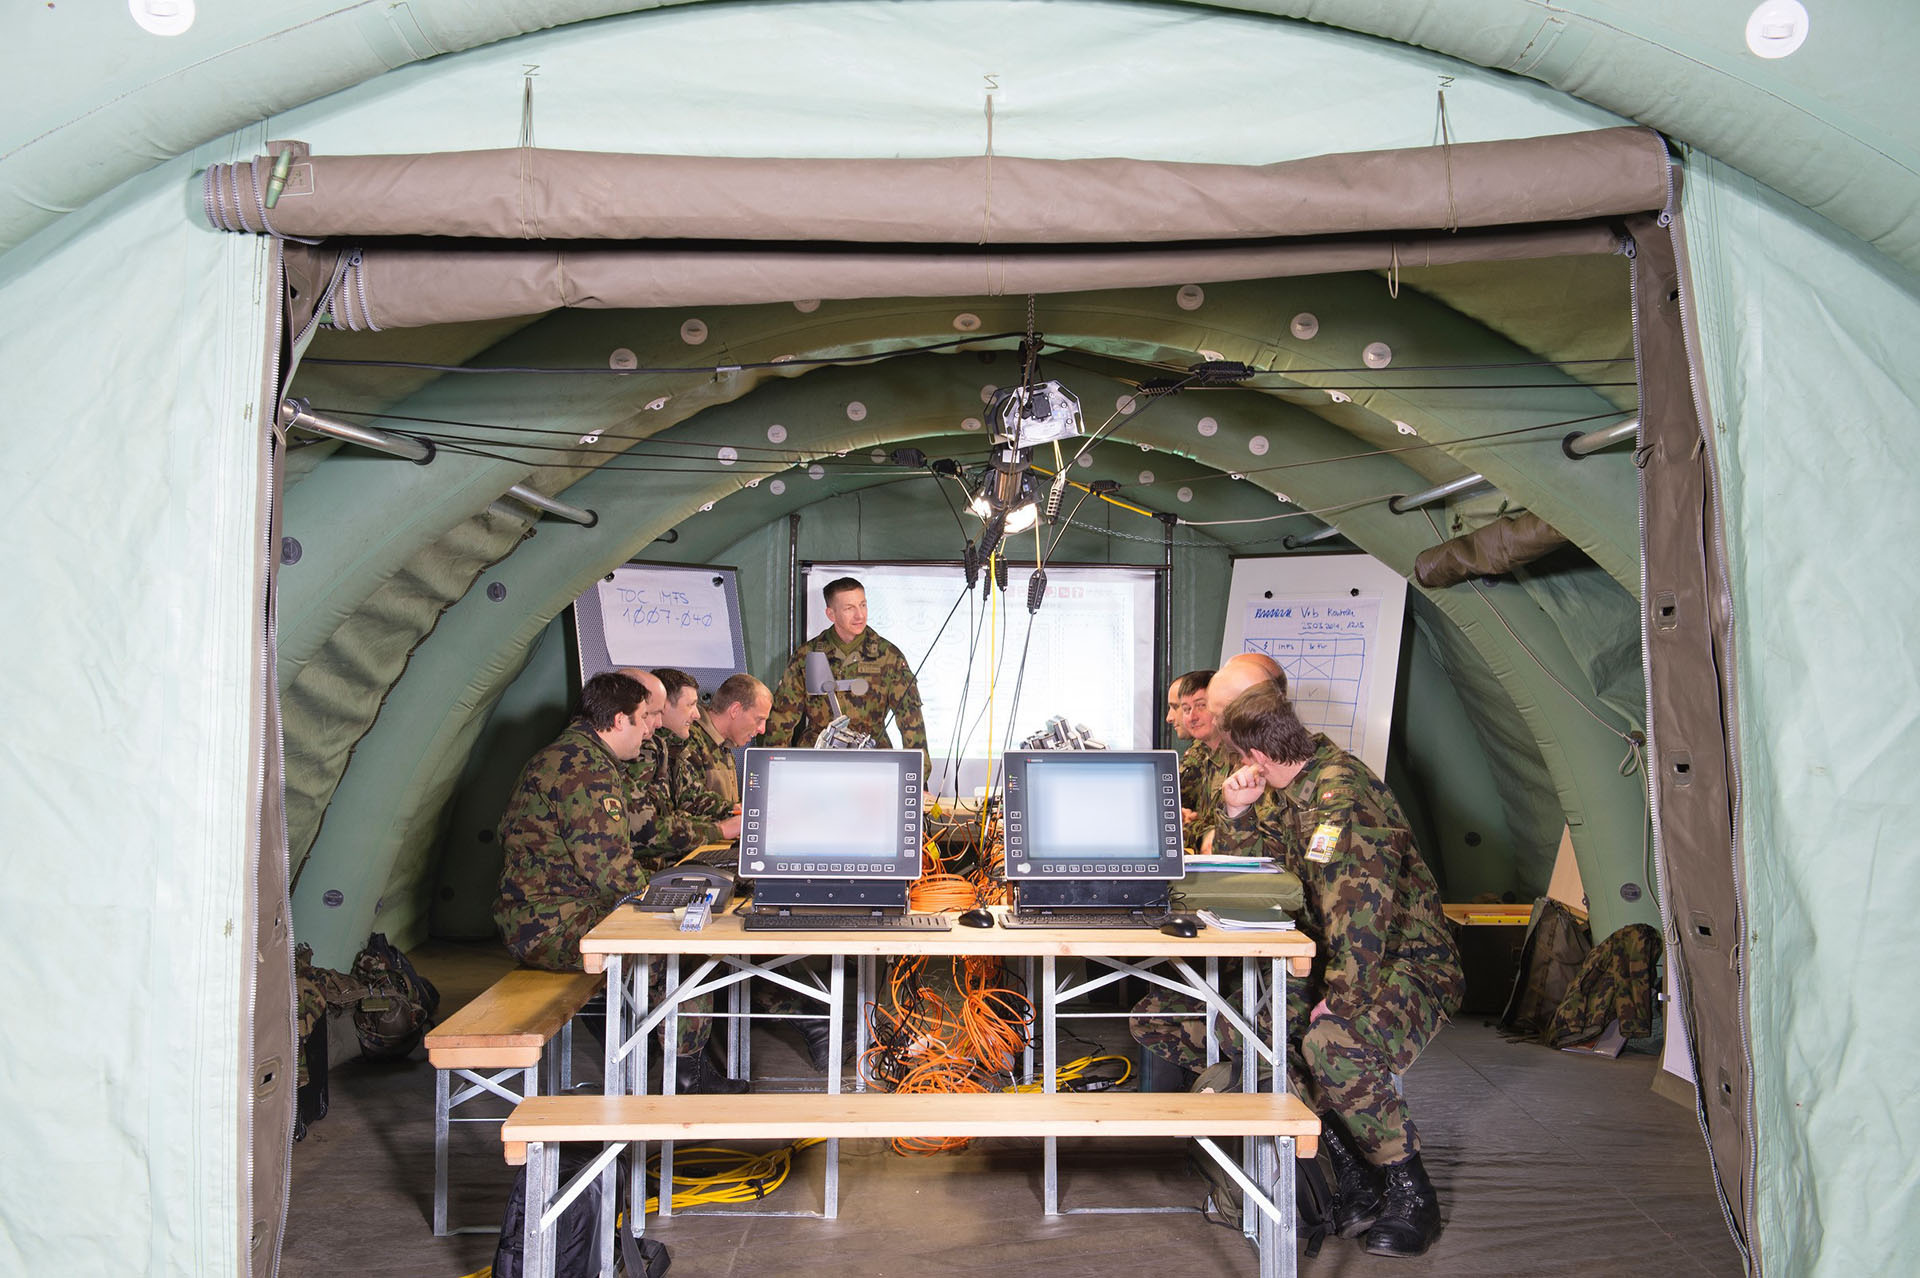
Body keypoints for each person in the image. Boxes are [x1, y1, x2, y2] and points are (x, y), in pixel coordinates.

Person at [1132, 680, 1462, 1259]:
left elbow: (1360, 920)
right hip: (1327, 955)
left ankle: (1411, 1191)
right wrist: (1236, 811)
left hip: (1402, 961)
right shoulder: (1289, 786)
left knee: (1330, 1042)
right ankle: (1351, 1172)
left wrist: (1342, 998)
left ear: (1255, 752)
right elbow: (1250, 874)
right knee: (1239, 1027)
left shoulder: (1341, 799)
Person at [492, 670, 745, 1093]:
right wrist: (683, 896)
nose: (650, 730)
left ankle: (665, 1064)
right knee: (685, 951)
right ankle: (683, 1078)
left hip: (554, 911)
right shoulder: (585, 770)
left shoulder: (576, 755)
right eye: (644, 717)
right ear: (617, 720)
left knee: (688, 919)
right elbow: (615, 876)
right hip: (552, 925)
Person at [764, 577, 927, 753]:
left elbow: (910, 717)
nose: (860, 615)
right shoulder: (807, 655)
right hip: (818, 757)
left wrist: (919, 773)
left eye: (863, 605)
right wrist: (772, 767)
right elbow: (783, 715)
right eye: (850, 608)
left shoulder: (889, 656)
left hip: (872, 759)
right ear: (831, 614)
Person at [632, 667, 740, 867]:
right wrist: (720, 829)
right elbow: (648, 830)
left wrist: (734, 811)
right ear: (664, 706)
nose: (697, 715)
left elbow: (691, 799)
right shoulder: (643, 752)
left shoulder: (671, 747)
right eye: (690, 705)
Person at [683, 672, 771, 808]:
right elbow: (689, 805)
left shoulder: (724, 745)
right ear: (735, 710)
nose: (762, 729)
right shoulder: (689, 741)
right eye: (759, 719)